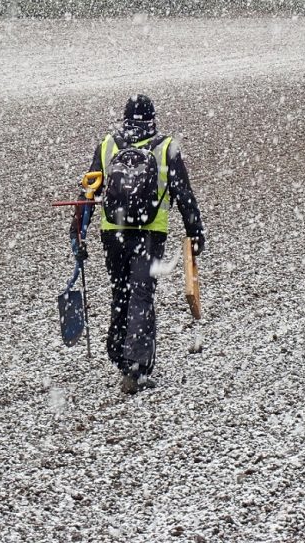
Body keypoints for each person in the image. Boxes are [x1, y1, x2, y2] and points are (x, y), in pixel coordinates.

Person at [72, 94, 205, 394]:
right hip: (150, 232)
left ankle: (119, 354)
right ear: (153, 118)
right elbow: (184, 195)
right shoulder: (167, 148)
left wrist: (77, 233)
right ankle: (136, 368)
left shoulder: (108, 145)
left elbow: (88, 193)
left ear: (125, 118)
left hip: (113, 232)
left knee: (120, 292)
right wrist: (195, 233)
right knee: (141, 294)